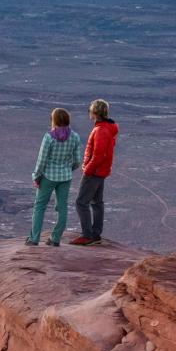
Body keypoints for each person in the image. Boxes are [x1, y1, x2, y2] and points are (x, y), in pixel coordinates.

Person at [30, 107, 81, 246]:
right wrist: (67, 169)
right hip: (65, 177)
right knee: (62, 207)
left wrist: (36, 176)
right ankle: (55, 239)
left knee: (40, 206)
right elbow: (77, 160)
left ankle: (34, 239)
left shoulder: (48, 137)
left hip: (48, 176)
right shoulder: (75, 137)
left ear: (54, 120)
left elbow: (41, 160)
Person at [71, 99, 119, 245]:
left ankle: (88, 235)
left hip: (95, 172)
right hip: (101, 172)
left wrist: (88, 170)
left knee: (81, 202)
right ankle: (95, 234)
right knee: (97, 202)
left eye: (90, 111)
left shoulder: (100, 130)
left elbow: (99, 155)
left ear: (95, 113)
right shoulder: (107, 128)